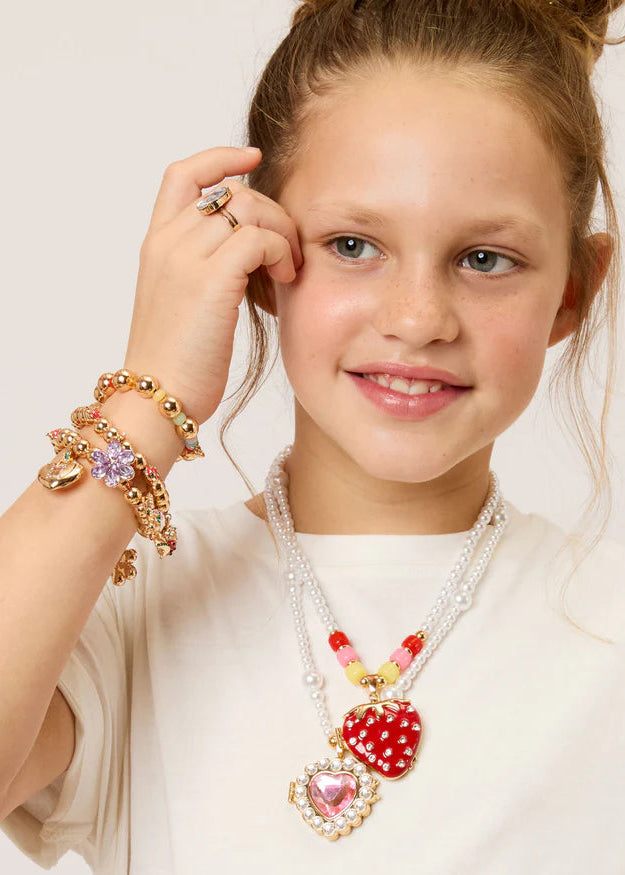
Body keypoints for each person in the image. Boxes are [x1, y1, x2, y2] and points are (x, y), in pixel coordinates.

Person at [1, 0, 624, 871]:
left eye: (484, 258)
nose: (418, 318)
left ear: (572, 292)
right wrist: (149, 397)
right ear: (259, 256)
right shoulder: (116, 613)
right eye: (353, 245)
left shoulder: (604, 624)